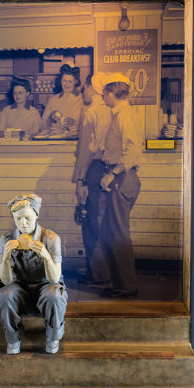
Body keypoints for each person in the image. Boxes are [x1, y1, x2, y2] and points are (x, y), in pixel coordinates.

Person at [0, 194, 67, 355]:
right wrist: (6, 258)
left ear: (36, 214)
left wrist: (46, 256)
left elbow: (55, 278)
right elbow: (6, 281)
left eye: (27, 217)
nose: (23, 223)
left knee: (55, 295)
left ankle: (53, 337)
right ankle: (13, 339)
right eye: (18, 218)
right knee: (4, 295)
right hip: (19, 289)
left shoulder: (51, 239)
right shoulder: (6, 239)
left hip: (46, 285)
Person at [91, 73, 143, 298]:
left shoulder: (124, 115)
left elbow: (132, 150)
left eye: (104, 92)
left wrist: (112, 173)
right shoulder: (120, 114)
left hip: (122, 179)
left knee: (118, 233)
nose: (102, 95)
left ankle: (127, 287)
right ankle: (119, 282)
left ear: (112, 93)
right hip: (121, 177)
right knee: (109, 231)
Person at [72, 73, 112, 284]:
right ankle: (101, 271)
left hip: (92, 169)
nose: (82, 91)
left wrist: (80, 180)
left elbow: (86, 151)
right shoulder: (111, 109)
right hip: (108, 170)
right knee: (103, 220)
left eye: (85, 87)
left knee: (90, 222)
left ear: (93, 88)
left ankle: (98, 274)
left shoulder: (91, 112)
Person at [40, 62, 84, 138]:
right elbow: (42, 125)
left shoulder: (83, 100)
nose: (66, 84)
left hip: (75, 142)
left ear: (76, 82)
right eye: (64, 81)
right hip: (56, 142)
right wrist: (49, 120)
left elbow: (87, 126)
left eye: (70, 81)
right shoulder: (52, 100)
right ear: (60, 81)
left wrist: (74, 123)